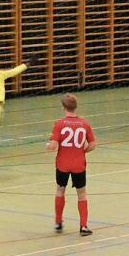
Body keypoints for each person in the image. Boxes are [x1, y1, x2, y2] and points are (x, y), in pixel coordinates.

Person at [46, 93, 96, 236]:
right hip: (79, 164)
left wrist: (48, 145)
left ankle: (58, 222)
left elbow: (53, 146)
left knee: (60, 190)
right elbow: (92, 144)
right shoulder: (84, 124)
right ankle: (84, 226)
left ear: (63, 107)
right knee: (82, 194)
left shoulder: (59, 124)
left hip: (62, 164)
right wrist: (82, 151)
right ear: (76, 107)